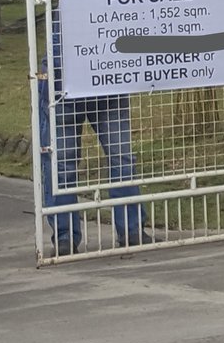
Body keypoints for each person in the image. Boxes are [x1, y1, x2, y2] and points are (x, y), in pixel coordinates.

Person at [38, 16, 155, 255]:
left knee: (119, 157)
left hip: (102, 75)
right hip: (68, 77)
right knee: (63, 164)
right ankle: (66, 237)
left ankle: (130, 231)